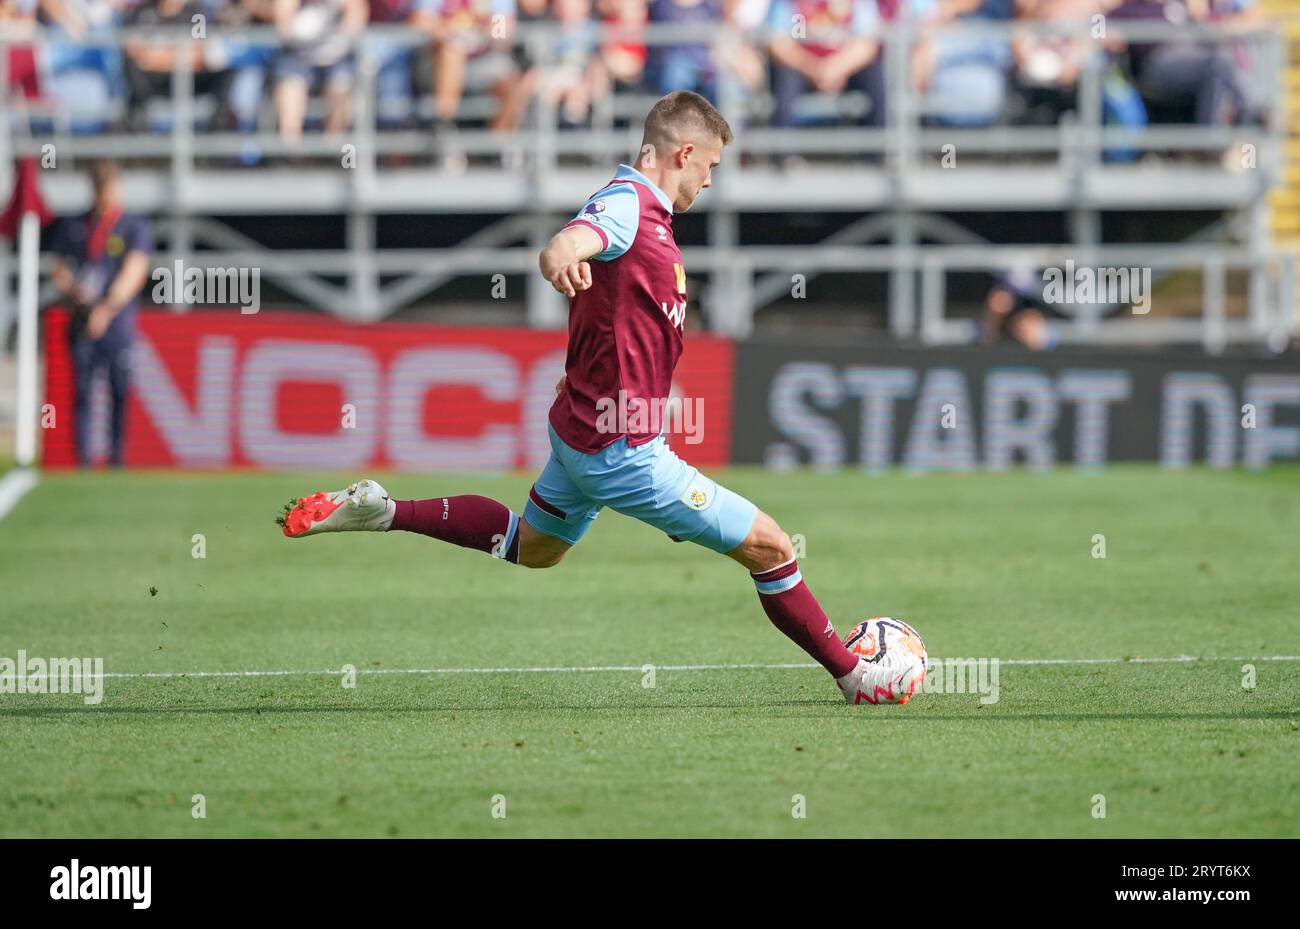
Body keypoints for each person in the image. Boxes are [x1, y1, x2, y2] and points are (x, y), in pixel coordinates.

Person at [277, 92, 922, 707]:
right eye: (712, 167)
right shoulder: (628, 207)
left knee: (533, 546)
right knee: (773, 547)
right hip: (624, 449)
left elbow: (615, 312)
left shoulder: (643, 214)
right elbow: (566, 243)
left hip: (584, 430)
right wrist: (559, 258)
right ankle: (853, 674)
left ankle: (385, 512)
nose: (711, 182)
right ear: (684, 153)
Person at [49, 160, 153, 467]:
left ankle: (116, 459)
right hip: (81, 318)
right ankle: (82, 458)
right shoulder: (74, 225)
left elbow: (134, 271)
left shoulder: (132, 226)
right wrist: (74, 292)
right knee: (82, 389)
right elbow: (60, 268)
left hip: (116, 320)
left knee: (118, 389)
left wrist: (106, 309)